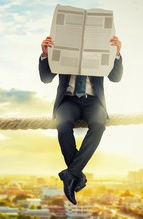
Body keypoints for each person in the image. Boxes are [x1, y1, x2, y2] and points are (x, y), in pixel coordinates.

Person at [39, 35, 123, 205]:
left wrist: (117, 53)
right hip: (68, 100)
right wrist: (45, 55)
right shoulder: (62, 49)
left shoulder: (100, 49)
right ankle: (74, 174)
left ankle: (71, 173)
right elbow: (46, 78)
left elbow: (115, 77)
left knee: (99, 124)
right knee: (62, 125)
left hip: (93, 101)